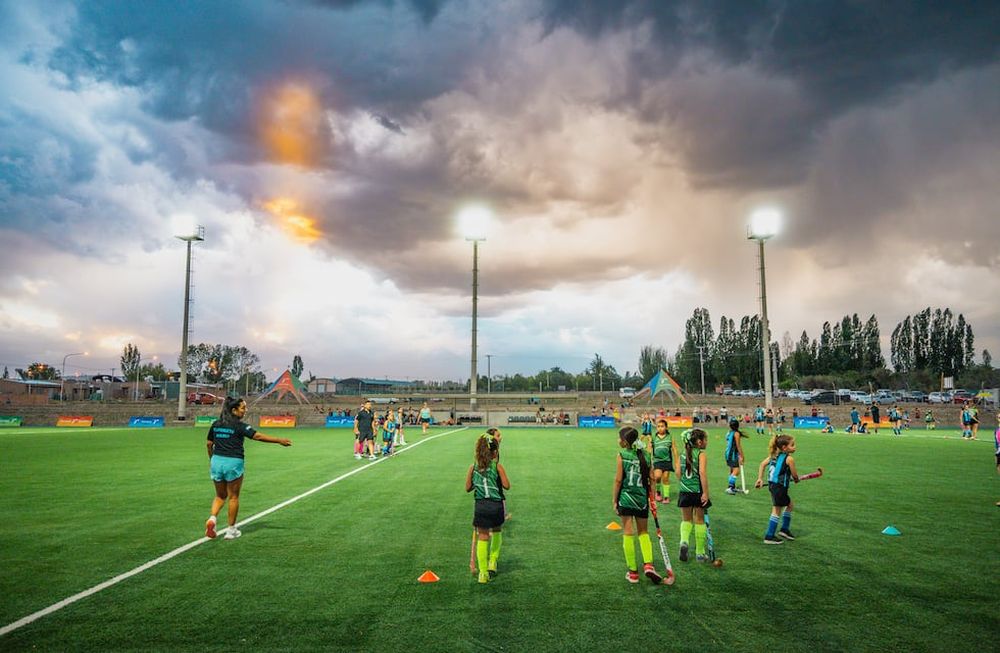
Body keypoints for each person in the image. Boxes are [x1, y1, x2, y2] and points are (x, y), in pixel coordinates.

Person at [205, 397, 292, 540]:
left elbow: (209, 444)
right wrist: (279, 440)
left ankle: (212, 519)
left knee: (220, 496)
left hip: (217, 461)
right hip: (233, 462)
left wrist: (212, 459)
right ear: (234, 410)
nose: (245, 410)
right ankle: (231, 530)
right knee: (233, 497)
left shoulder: (216, 424)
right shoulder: (240, 426)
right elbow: (257, 436)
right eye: (243, 408)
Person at [612, 427, 663, 583]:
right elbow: (652, 479)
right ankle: (648, 565)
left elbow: (618, 480)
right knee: (643, 532)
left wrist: (614, 500)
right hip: (641, 500)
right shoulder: (646, 455)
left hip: (626, 498)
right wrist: (652, 499)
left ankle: (633, 572)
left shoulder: (622, 455)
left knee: (628, 532)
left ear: (625, 442)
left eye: (619, 438)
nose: (618, 440)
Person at [465, 433, 510, 584]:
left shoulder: (473, 468)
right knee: (496, 530)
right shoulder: (497, 467)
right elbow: (507, 485)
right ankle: (493, 561)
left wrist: (478, 481)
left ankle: (483, 573)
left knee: (483, 537)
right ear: (494, 452)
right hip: (496, 505)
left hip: (481, 506)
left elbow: (468, 488)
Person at [754, 434, 799, 544]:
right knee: (776, 510)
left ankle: (784, 530)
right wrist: (796, 479)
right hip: (780, 487)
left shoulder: (773, 455)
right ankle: (769, 536)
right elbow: (794, 475)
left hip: (773, 486)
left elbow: (762, 464)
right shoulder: (789, 459)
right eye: (792, 445)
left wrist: (760, 479)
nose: (795, 447)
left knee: (790, 505)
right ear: (784, 447)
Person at [677, 428, 711, 562]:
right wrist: (705, 493)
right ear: (699, 442)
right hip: (697, 491)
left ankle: (684, 541)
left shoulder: (682, 454)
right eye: (705, 439)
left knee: (686, 520)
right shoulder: (701, 454)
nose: (707, 442)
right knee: (700, 521)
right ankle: (700, 553)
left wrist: (685, 483)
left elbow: (678, 473)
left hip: (684, 491)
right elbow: (702, 473)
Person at [650, 418, 677, 504]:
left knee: (665, 478)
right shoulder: (653, 437)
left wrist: (677, 461)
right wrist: (648, 459)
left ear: (666, 427)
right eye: (658, 426)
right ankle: (658, 492)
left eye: (662, 426)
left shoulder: (670, 437)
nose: (660, 428)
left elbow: (674, 449)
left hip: (667, 461)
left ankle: (666, 496)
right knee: (657, 477)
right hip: (657, 460)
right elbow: (649, 448)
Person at [724, 419, 745, 495]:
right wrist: (742, 456)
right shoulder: (736, 434)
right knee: (736, 471)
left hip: (728, 453)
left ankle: (732, 486)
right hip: (733, 454)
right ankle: (730, 487)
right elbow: (738, 446)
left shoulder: (729, 433)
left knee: (732, 470)